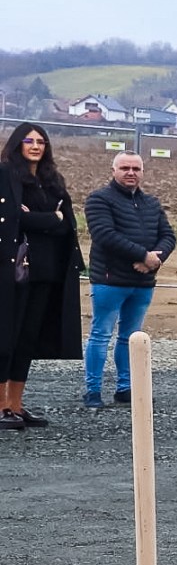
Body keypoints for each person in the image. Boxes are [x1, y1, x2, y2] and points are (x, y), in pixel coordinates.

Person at [0, 123, 83, 428]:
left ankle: (15, 405)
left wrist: (40, 219)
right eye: (29, 140)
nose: (35, 146)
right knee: (5, 338)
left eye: (41, 141)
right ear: (17, 144)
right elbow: (12, 220)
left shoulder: (52, 181)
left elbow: (67, 223)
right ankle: (0, 406)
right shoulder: (5, 175)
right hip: (13, 271)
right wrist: (51, 218)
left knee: (28, 340)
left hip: (48, 271)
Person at [82, 151, 175, 409]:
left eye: (136, 168)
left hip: (142, 282)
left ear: (142, 172)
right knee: (101, 335)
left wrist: (156, 259)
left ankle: (125, 388)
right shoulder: (99, 200)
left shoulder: (151, 203)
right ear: (113, 170)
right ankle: (93, 390)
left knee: (130, 337)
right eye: (125, 168)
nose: (131, 172)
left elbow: (168, 235)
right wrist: (143, 255)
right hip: (110, 281)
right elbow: (105, 235)